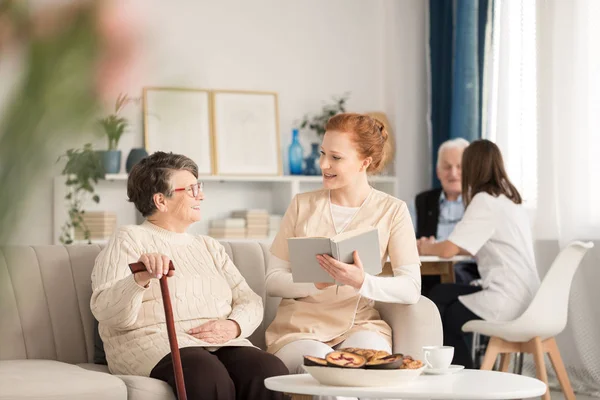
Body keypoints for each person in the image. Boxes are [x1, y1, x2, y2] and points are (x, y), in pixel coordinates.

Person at [90, 152, 288, 400]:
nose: (201, 196)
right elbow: (106, 312)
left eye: (199, 188)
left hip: (220, 343)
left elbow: (250, 300)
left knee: (270, 372)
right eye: (192, 190)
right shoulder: (129, 239)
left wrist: (233, 325)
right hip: (156, 343)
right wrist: (139, 278)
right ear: (161, 201)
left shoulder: (209, 246)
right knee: (206, 374)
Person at [265, 113, 421, 376]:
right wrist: (315, 282)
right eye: (323, 153)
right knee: (330, 374)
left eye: (336, 157)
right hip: (300, 328)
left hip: (360, 324)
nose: (324, 164)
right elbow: (271, 281)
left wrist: (362, 281)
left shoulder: (392, 211)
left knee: (372, 371)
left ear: (365, 162)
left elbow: (411, 288)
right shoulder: (301, 205)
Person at [418, 139, 541, 369]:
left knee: (450, 313)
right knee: (441, 294)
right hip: (528, 296)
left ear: (472, 166)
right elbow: (467, 245)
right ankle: (456, 372)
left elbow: (447, 250)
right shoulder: (507, 200)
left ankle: (466, 377)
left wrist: (425, 247)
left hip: (506, 299)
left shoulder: (484, 200)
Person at [410, 138, 480, 295]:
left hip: (468, 272)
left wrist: (432, 248)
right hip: (426, 271)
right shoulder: (420, 201)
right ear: (438, 172)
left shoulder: (479, 202)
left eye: (460, 167)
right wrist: (418, 244)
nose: (453, 173)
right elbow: (402, 240)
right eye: (447, 167)